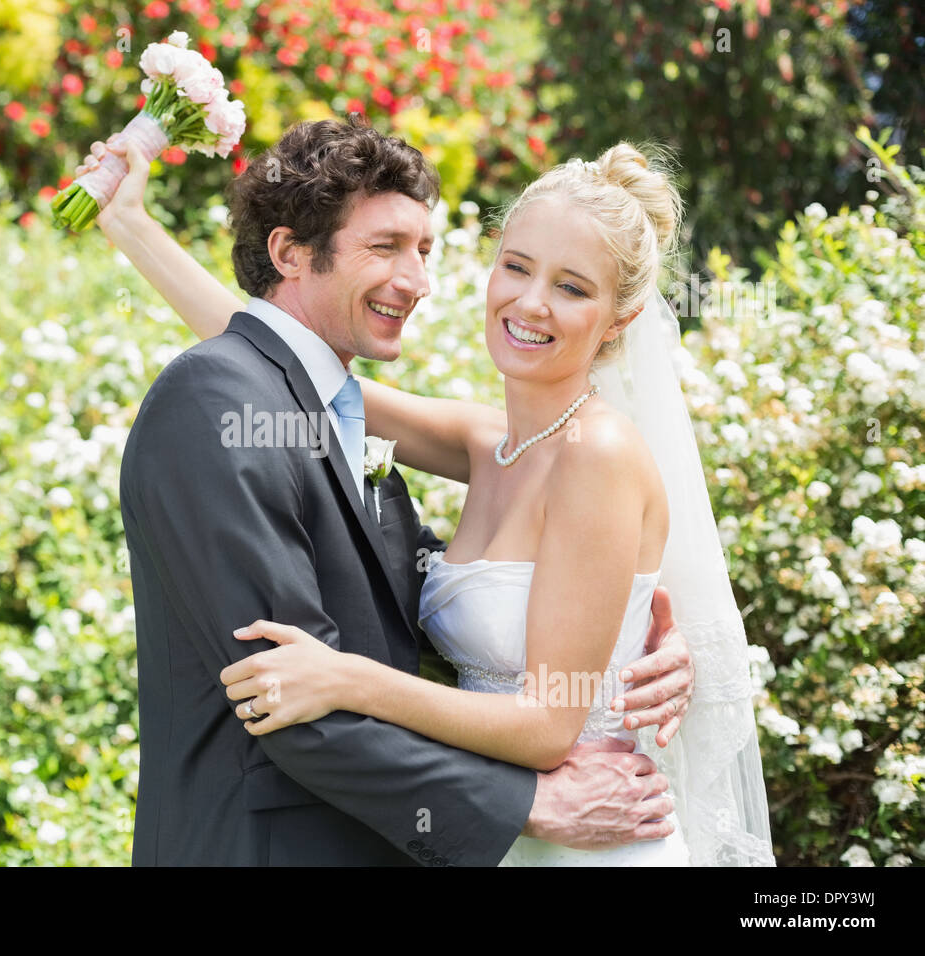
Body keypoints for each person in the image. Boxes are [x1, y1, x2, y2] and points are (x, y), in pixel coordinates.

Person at [90, 116, 699, 866]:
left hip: (589, 820)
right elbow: (278, 348)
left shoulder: (596, 451)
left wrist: (345, 676)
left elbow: (548, 721)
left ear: (619, 321)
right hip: (503, 828)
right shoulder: (486, 444)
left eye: (572, 288)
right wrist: (129, 225)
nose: (532, 303)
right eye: (516, 267)